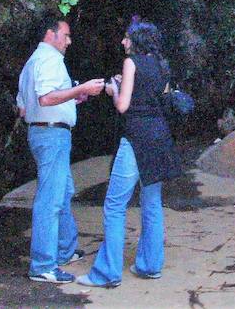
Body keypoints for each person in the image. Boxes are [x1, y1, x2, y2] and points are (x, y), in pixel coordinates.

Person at [77, 17, 182, 288]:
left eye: (126, 37)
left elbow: (123, 106)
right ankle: (150, 265)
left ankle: (108, 273)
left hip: (136, 139)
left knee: (114, 205)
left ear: (136, 40)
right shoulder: (162, 64)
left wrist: (114, 89)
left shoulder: (131, 62)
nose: (123, 41)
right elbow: (156, 98)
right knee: (152, 202)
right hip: (159, 137)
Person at [16, 15, 106, 284]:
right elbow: (45, 97)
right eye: (65, 35)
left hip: (43, 131)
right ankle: (43, 264)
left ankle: (65, 251)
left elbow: (25, 106)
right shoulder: (50, 59)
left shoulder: (32, 62)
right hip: (51, 134)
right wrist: (82, 88)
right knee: (51, 200)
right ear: (50, 34)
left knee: (63, 192)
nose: (69, 41)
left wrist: (71, 99)